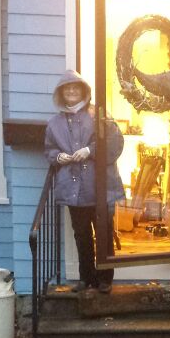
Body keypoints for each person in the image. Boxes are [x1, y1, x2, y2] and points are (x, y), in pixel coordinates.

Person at [45, 69, 125, 292]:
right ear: (61, 93)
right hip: (72, 189)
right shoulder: (54, 124)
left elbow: (114, 141)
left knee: (104, 233)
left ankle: (104, 280)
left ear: (83, 91)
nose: (71, 91)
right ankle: (85, 278)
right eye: (66, 88)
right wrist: (57, 157)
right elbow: (49, 150)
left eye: (75, 87)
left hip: (100, 188)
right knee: (81, 235)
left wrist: (90, 150)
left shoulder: (98, 114)